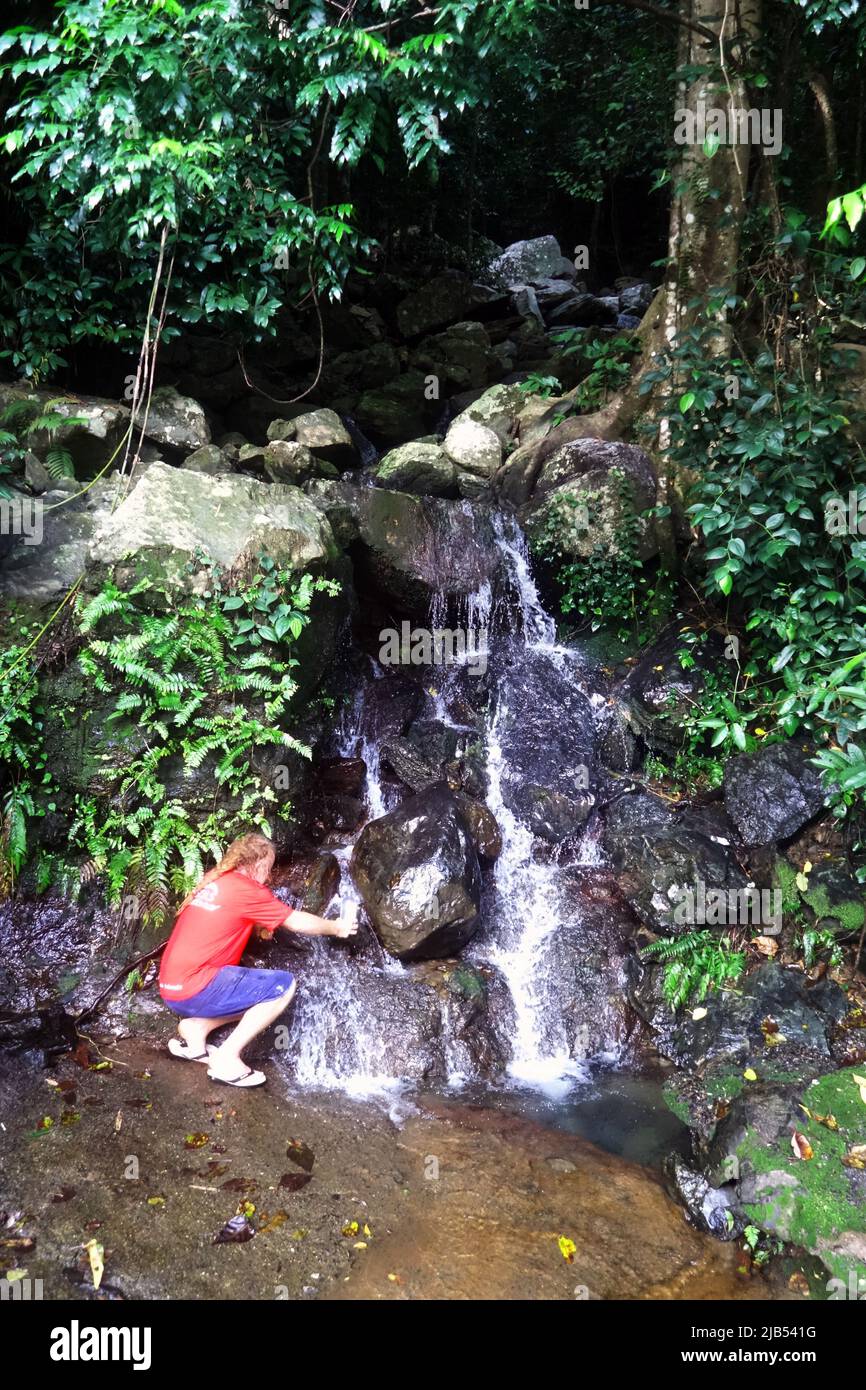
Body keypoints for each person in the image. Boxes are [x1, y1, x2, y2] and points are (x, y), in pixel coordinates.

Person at [158, 832, 357, 1087]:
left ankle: (198, 1029)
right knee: (281, 987)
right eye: (270, 867)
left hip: (172, 989)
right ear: (260, 864)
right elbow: (295, 921)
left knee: (249, 992)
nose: (270, 875)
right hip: (195, 989)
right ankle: (226, 1058)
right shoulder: (246, 890)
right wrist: (336, 927)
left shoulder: (214, 880)